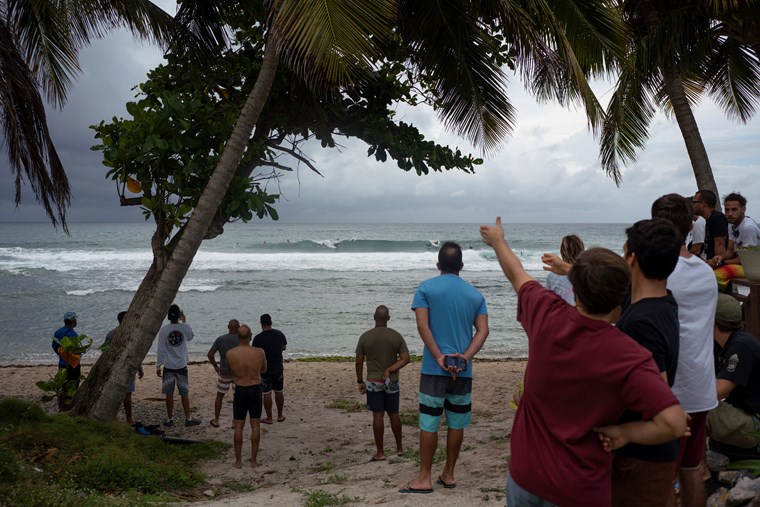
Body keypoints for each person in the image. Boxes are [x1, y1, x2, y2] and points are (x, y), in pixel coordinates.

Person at [482, 217, 688, 507]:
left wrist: (498, 241)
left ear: (574, 290)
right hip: (579, 489)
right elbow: (674, 423)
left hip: (525, 478)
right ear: (621, 301)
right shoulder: (629, 355)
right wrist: (623, 433)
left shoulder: (545, 313)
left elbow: (517, 274)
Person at [400, 241, 489, 494]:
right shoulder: (475, 295)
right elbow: (483, 331)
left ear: (438, 264)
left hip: (433, 369)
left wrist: (439, 356)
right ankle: (448, 474)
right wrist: (465, 357)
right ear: (461, 265)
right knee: (456, 423)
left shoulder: (426, 288)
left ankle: (425, 477)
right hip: (462, 371)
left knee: (429, 422)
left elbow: (422, 326)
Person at [651, 194, 718, 507]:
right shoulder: (705, 273)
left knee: (660, 477)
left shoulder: (658, 275)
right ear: (691, 225)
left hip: (668, 390)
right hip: (700, 387)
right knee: (692, 468)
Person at [611, 218, 683, 507]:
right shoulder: (664, 301)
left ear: (632, 258)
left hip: (642, 456)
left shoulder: (641, 323)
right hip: (652, 455)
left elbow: (659, 400)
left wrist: (622, 432)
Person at [707, 294, 760, 462]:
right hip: (741, 415)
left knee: (697, 408)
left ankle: (695, 467)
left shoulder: (741, 346)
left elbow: (719, 391)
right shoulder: (725, 343)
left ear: (712, 320)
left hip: (753, 425)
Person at [355, 305, 410, 461]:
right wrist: (390, 369)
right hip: (391, 381)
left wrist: (360, 381)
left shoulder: (365, 337)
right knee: (394, 414)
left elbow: (358, 362)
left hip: (373, 381)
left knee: (378, 416)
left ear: (374, 317)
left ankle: (380, 452)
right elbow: (406, 359)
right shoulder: (396, 336)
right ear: (388, 318)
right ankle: (399, 448)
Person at [226, 324, 267, 468]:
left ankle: (238, 461)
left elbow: (231, 371)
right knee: (255, 425)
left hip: (241, 390)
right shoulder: (259, 352)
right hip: (255, 389)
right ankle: (254, 461)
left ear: (237, 337)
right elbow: (264, 369)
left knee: (239, 426)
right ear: (251, 336)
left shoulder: (231, 353)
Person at [156, 304, 200, 427]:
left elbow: (161, 349)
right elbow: (190, 337)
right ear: (180, 315)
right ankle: (188, 418)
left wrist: (158, 365)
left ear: (168, 316)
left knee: (169, 394)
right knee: (184, 393)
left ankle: (170, 419)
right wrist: (185, 321)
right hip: (181, 365)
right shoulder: (185, 327)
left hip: (169, 366)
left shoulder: (164, 330)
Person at [104, 311, 144, 425]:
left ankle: (112, 416)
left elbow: (104, 352)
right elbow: (135, 353)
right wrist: (139, 368)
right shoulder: (132, 334)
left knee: (112, 393)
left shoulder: (111, 334)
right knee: (127, 394)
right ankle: (129, 419)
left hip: (113, 367)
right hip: (127, 367)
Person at [713, 192, 760, 291]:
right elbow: (730, 251)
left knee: (715, 276)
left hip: (754, 266)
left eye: (734, 209)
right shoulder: (731, 224)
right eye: (727, 210)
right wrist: (719, 258)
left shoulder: (748, 228)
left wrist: (722, 262)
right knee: (710, 271)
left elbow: (746, 260)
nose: (730, 214)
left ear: (743, 209)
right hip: (747, 264)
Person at [252, 314, 287, 424]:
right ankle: (280, 415)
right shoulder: (279, 334)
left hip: (265, 369)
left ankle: (269, 418)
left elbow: (255, 354)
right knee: (279, 391)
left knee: (266, 393)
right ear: (271, 323)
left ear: (261, 324)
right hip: (277, 367)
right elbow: (284, 347)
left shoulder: (258, 338)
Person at [207, 319, 240, 428]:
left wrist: (216, 367)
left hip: (224, 372)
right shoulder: (241, 340)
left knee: (220, 396)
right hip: (237, 373)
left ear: (228, 327)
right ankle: (235, 421)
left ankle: (216, 420)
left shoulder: (220, 339)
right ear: (238, 328)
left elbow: (210, 354)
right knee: (237, 397)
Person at [52, 310, 81, 410]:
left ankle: (62, 407)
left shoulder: (57, 332)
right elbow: (75, 349)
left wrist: (61, 355)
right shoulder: (73, 334)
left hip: (62, 363)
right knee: (73, 385)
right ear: (73, 321)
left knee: (63, 385)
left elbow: (54, 346)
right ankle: (70, 406)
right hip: (73, 365)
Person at [545, 234, 584, 305]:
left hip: (561, 314)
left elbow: (548, 303)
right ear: (582, 250)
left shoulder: (553, 276)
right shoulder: (589, 274)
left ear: (562, 252)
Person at [693, 189, 728, 265]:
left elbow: (720, 244)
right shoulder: (707, 219)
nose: (692, 205)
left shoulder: (717, 219)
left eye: (694, 202)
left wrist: (715, 263)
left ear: (703, 204)